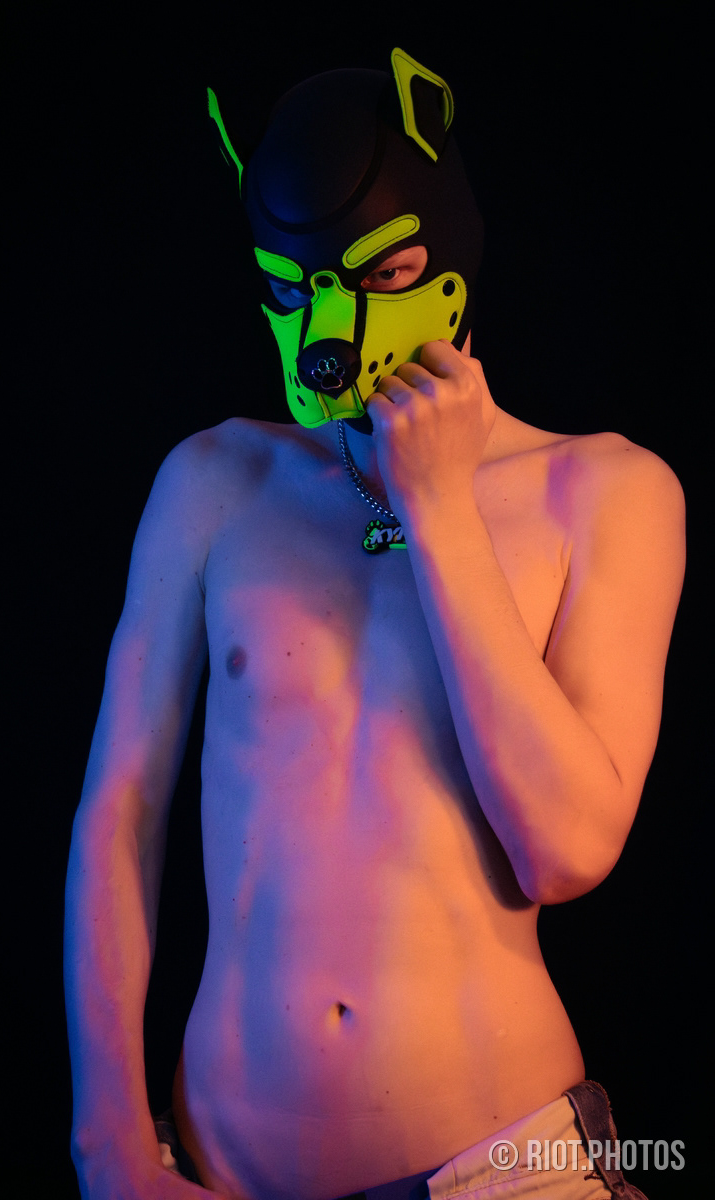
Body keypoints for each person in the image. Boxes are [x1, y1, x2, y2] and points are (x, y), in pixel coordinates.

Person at [64, 49, 684, 1200]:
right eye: (289, 289)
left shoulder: (602, 492)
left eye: (381, 271)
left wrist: (436, 507)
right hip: (217, 1168)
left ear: (442, 256)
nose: (329, 325)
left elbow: (564, 850)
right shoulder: (215, 484)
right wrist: (108, 1148)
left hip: (503, 1165)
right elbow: (121, 810)